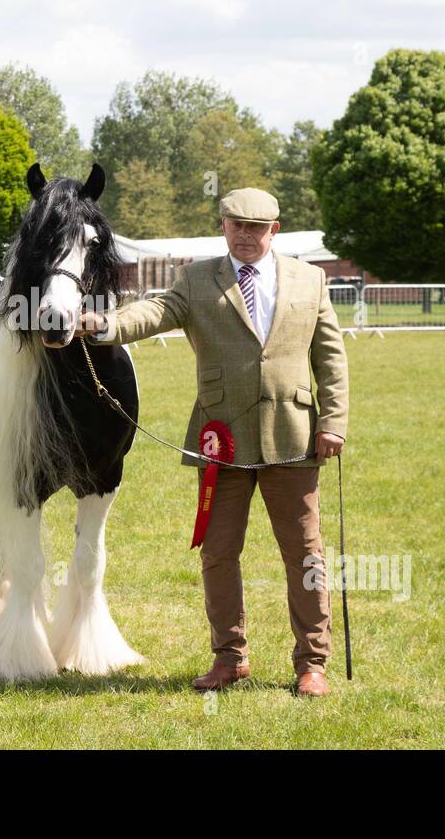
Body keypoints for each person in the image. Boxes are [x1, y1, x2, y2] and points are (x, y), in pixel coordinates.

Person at [78, 187, 349, 697]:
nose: (245, 235)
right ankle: (230, 658)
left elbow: (330, 358)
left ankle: (312, 663)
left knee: (305, 555)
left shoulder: (310, 280)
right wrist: (104, 325)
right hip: (220, 441)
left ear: (275, 229)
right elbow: (154, 312)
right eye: (236, 225)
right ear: (222, 226)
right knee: (219, 553)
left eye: (256, 226)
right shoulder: (196, 279)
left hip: (294, 438)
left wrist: (332, 421)